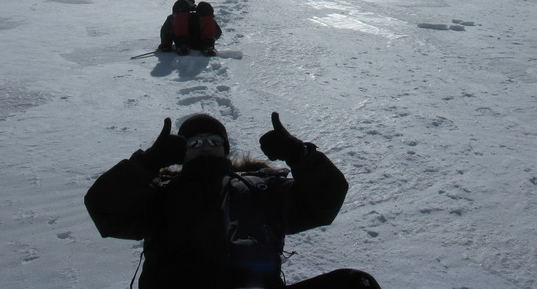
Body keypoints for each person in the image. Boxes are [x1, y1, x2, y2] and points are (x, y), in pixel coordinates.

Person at [84, 112, 382, 289]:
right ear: (181, 152)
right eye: (194, 142)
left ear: (225, 149)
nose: (205, 147)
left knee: (355, 284)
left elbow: (323, 203)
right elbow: (104, 210)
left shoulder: (260, 188)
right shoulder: (160, 193)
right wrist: (146, 164)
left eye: (214, 141)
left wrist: (299, 155)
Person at [156, 0, 222, 56]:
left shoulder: (174, 17)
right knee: (204, 7)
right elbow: (217, 31)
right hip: (195, 42)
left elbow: (166, 31)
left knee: (204, 6)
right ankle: (207, 46)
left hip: (187, 42)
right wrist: (166, 44)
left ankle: (205, 45)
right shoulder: (202, 16)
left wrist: (166, 44)